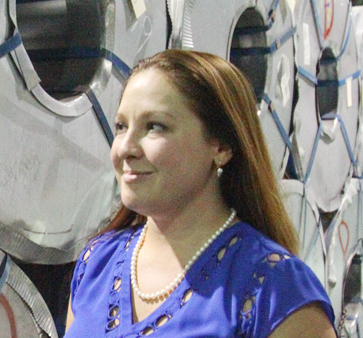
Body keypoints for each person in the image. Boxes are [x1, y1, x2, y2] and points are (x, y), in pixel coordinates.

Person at [65, 49, 336, 338]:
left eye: (155, 127)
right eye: (121, 126)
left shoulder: (276, 291)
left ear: (221, 147)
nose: (125, 148)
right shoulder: (96, 262)